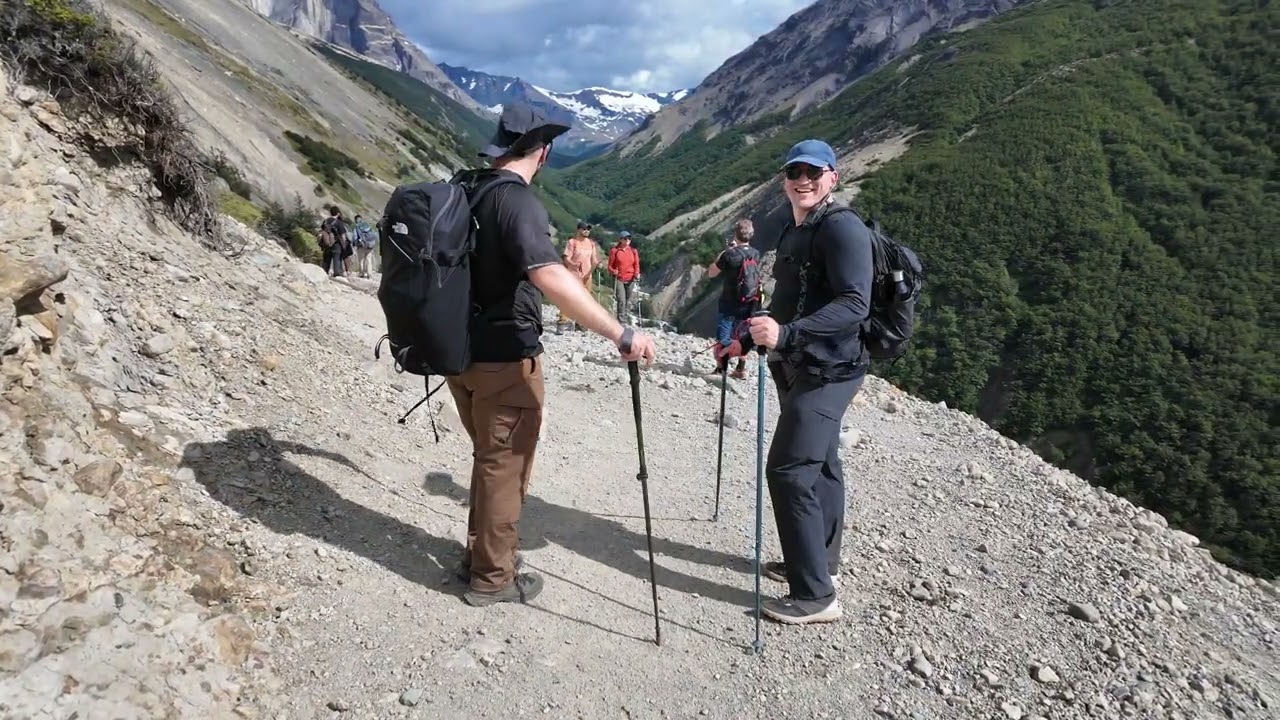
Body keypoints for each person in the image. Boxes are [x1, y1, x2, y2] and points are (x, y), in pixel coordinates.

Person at [447, 100, 657, 607]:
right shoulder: (516, 202)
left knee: (489, 459)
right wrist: (619, 333)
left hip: (460, 353)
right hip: (504, 358)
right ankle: (493, 577)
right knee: (507, 466)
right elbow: (548, 275)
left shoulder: (465, 189)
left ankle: (479, 555)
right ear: (542, 152)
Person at [742, 139, 874, 625]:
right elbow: (791, 297)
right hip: (800, 363)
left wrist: (789, 333)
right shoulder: (797, 228)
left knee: (790, 470)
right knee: (821, 464)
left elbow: (854, 304)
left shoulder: (841, 227)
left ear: (832, 177)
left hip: (831, 369)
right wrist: (753, 335)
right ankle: (823, 563)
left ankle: (815, 596)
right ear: (784, 179)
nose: (804, 179)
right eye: (794, 171)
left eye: (814, 172)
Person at [706, 218, 760, 380]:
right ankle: (740, 369)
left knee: (724, 336)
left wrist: (724, 252)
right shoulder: (755, 253)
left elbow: (712, 272)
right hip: (749, 303)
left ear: (735, 234)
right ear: (751, 235)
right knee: (742, 336)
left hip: (729, 303)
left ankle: (720, 369)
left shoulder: (729, 255)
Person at [556, 220, 599, 332]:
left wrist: (595, 266)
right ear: (579, 230)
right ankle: (562, 322)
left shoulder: (591, 244)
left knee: (585, 300)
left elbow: (594, 259)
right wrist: (573, 264)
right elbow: (566, 258)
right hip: (573, 275)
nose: (587, 231)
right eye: (584, 229)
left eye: (588, 229)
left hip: (587, 275)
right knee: (568, 298)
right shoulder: (572, 242)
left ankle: (581, 323)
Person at [607, 230, 640, 323]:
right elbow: (609, 266)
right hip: (619, 278)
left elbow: (636, 264)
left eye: (629, 238)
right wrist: (614, 271)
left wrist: (637, 273)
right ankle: (622, 320)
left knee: (627, 299)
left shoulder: (633, 251)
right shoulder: (615, 251)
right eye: (625, 238)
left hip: (631, 278)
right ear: (621, 239)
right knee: (621, 299)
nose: (628, 240)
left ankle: (624, 317)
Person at [319, 207, 348, 278]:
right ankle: (337, 274)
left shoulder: (325, 221)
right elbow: (343, 236)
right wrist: (344, 245)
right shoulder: (339, 223)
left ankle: (324, 273)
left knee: (326, 260)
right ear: (338, 213)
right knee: (337, 259)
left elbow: (323, 231)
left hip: (326, 244)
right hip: (336, 244)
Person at [351, 214, 377, 278]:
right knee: (368, 259)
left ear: (356, 220)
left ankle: (361, 273)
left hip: (361, 245)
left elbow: (355, 237)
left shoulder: (357, 227)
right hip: (370, 245)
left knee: (361, 260)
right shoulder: (367, 225)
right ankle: (369, 274)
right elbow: (374, 234)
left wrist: (354, 244)